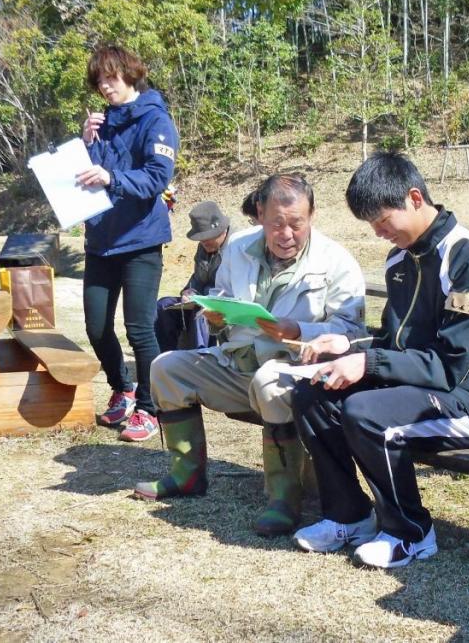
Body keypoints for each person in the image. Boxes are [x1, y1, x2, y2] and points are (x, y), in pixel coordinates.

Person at [290, 153, 469, 569]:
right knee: (313, 393)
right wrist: (347, 346)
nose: (378, 233)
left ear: (414, 198)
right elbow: (395, 343)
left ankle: (411, 531)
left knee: (365, 411)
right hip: (416, 388)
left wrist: (368, 364)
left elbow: (450, 368)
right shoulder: (399, 260)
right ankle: (349, 515)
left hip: (467, 400)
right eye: (370, 225)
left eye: (381, 220)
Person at [140, 174, 366, 538]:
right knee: (167, 368)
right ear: (260, 214)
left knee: (269, 381)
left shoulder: (336, 260)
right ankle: (187, 474)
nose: (286, 234)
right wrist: (214, 318)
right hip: (237, 362)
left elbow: (353, 333)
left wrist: (300, 331)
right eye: (277, 223)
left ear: (312, 216)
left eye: (297, 224)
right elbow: (224, 300)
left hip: (296, 373)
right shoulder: (238, 247)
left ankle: (284, 498)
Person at [77, 44, 178, 443]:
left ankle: (150, 409)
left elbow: (157, 178)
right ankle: (122, 387)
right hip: (100, 240)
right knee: (96, 326)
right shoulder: (101, 123)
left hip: (140, 240)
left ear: (130, 74)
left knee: (139, 328)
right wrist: (85, 144)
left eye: (111, 77)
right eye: (99, 80)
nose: (104, 86)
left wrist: (111, 178)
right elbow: (85, 175)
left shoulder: (156, 119)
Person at [154, 201, 232, 352]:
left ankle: (201, 358)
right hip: (201, 298)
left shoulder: (238, 246)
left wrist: (206, 298)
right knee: (164, 305)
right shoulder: (204, 246)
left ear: (222, 230)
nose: (203, 242)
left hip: (222, 303)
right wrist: (188, 291)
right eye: (201, 239)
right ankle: (168, 358)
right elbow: (198, 277)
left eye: (207, 238)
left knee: (202, 311)